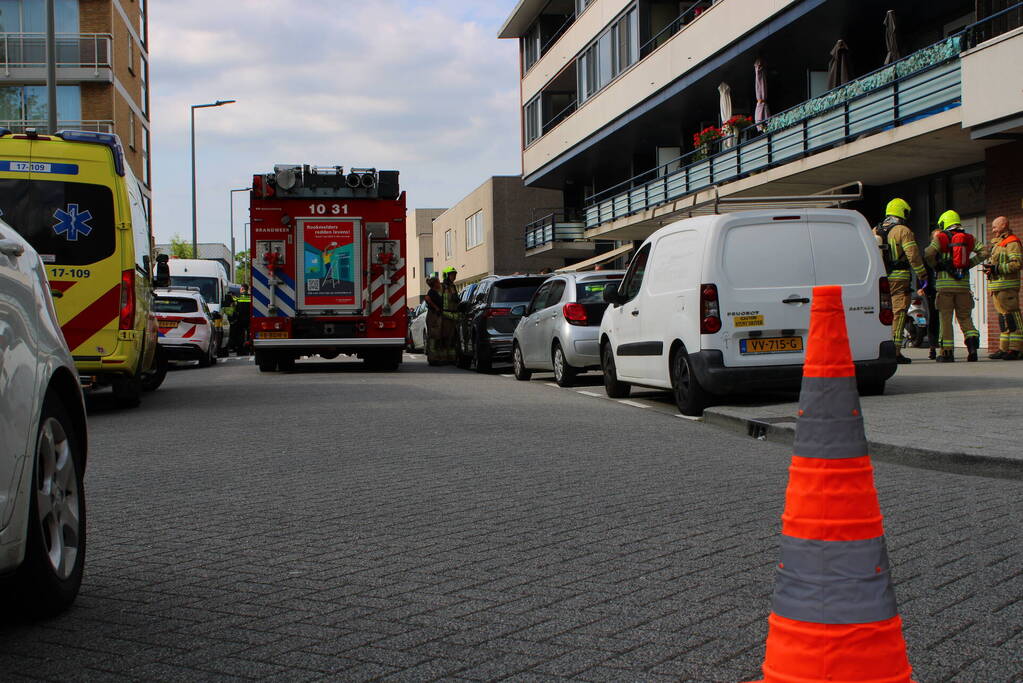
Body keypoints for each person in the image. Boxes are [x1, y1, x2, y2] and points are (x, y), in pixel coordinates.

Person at [925, 210, 988, 362]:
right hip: (963, 287)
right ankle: (972, 349)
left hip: (945, 287)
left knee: (945, 319)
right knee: (965, 318)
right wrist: (969, 264)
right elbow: (985, 252)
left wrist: (937, 266)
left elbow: (928, 253)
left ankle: (947, 353)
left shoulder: (941, 237)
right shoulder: (969, 238)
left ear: (944, 223)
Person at [874, 198, 926, 364]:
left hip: (880, 278)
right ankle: (895, 352)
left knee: (882, 314)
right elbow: (913, 255)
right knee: (899, 312)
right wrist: (922, 274)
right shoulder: (903, 230)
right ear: (902, 212)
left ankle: (881, 347)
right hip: (900, 278)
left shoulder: (875, 229)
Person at [983, 216, 1022, 360]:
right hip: (997, 288)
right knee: (1003, 318)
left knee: (1013, 318)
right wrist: (991, 269)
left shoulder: (1012, 243)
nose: (993, 230)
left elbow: (1017, 264)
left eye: (995, 227)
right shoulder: (998, 244)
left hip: (1008, 288)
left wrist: (997, 268)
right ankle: (1004, 349)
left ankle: (1016, 349)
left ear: (1004, 225)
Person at [424, 274, 450, 365]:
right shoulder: (432, 292)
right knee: (434, 337)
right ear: (435, 284)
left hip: (436, 316)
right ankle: (433, 359)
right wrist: (436, 308)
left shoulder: (435, 292)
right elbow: (428, 300)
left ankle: (437, 358)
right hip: (433, 316)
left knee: (437, 337)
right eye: (438, 282)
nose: (440, 283)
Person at [230, 284, 252, 355]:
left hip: (240, 319)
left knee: (240, 335)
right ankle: (250, 349)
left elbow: (233, 307)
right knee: (250, 335)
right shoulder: (251, 298)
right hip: (249, 319)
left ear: (242, 289)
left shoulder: (238, 297)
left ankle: (240, 351)